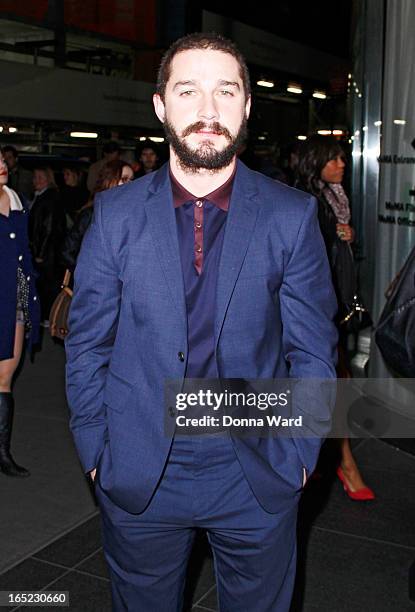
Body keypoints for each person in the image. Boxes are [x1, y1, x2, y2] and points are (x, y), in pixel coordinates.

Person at [66, 33, 337, 611]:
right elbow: (88, 345)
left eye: (226, 91)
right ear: (161, 106)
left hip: (258, 467)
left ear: (246, 108)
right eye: (188, 91)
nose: (208, 111)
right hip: (138, 469)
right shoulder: (115, 216)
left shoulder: (291, 216)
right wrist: (95, 451)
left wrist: (303, 455)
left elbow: (313, 350)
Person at [296, 135, 375, 501]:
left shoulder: (336, 202)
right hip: (317, 310)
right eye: (334, 158)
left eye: (343, 157)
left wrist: (347, 237)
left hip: (337, 306)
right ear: (317, 163)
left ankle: (326, 459)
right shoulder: (310, 204)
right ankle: (341, 462)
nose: (342, 163)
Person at [0, 148, 40, 477]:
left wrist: (29, 303)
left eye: (1, 160)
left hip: (13, 299)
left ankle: (2, 453)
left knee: (5, 378)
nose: (1, 166)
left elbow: (24, 254)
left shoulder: (17, 201)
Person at [62, 160, 133, 272]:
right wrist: (89, 274)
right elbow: (68, 250)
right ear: (110, 181)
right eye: (124, 179)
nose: (130, 184)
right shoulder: (91, 214)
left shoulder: (131, 214)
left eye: (131, 179)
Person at [28, 167, 66, 325]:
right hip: (44, 251)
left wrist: (40, 253)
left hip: (47, 253)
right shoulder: (40, 196)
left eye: (40, 177)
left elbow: (48, 228)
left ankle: (48, 317)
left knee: (47, 286)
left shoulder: (49, 198)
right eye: (35, 177)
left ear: (48, 179)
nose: (36, 180)